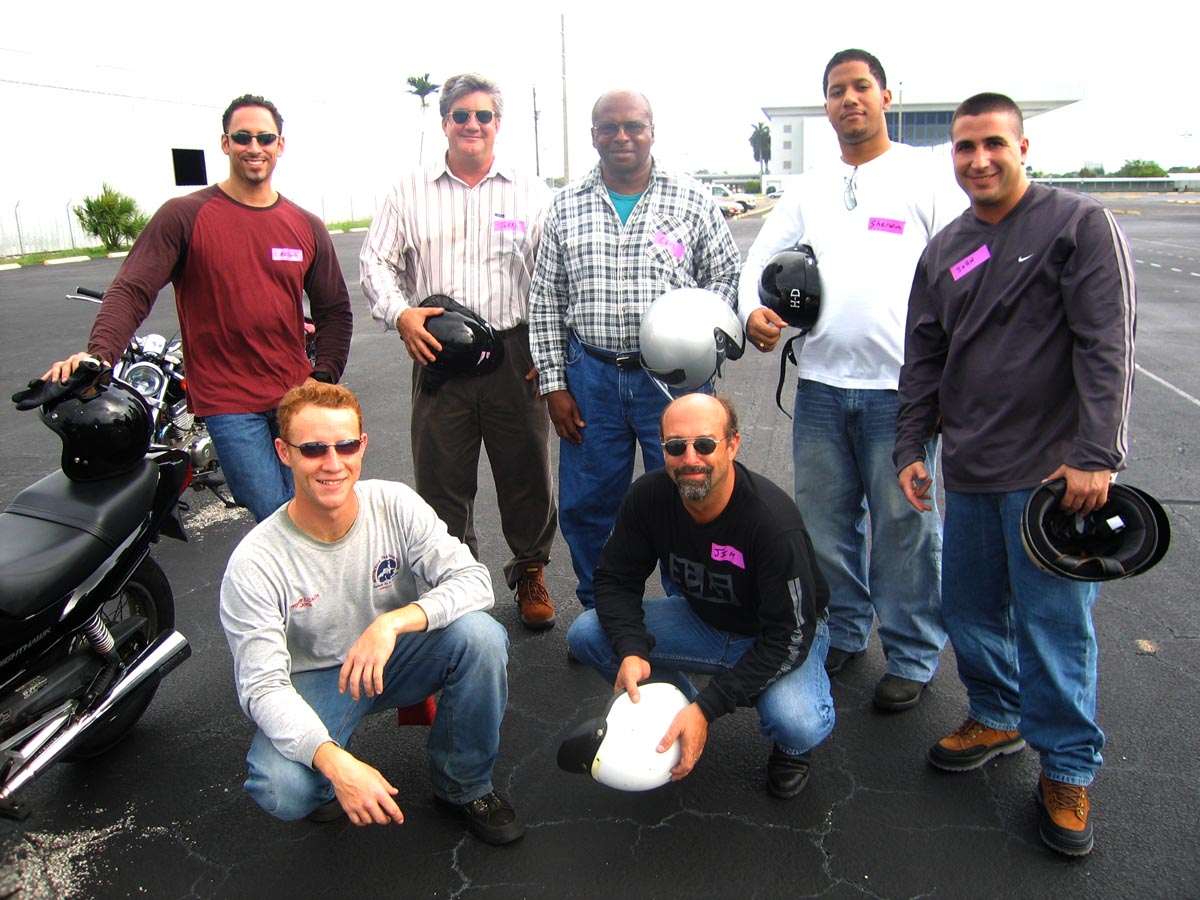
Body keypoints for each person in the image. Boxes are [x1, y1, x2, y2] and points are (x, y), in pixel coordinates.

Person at [894, 93, 1135, 857]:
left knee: (1053, 627)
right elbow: (924, 356)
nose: (979, 160)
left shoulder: (1076, 225)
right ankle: (997, 715)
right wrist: (910, 447)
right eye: (965, 147)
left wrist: (1097, 453)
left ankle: (1067, 768)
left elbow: (1106, 342)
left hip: (1053, 480)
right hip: (970, 470)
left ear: (1023, 147)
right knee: (968, 609)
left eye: (993, 143)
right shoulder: (946, 249)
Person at [737, 50, 965, 711]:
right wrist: (752, 310)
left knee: (905, 529)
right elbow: (760, 258)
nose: (849, 99)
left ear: (886, 97)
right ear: (827, 105)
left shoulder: (924, 176)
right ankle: (844, 630)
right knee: (824, 527)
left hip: (903, 394)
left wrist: (950, 376)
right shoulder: (810, 187)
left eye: (861, 87)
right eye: (837, 90)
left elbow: (967, 265)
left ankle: (913, 654)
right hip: (821, 387)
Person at [219, 382, 522, 845]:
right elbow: (261, 686)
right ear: (284, 453)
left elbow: (475, 581)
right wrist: (333, 762)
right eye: (313, 449)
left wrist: (393, 622)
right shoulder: (255, 562)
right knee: (281, 788)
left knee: (481, 636)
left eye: (345, 446)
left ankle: (464, 784)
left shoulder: (394, 503)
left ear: (362, 445)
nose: (332, 463)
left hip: (394, 656)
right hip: (319, 679)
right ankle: (328, 781)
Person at [43, 94, 354, 523]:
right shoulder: (185, 216)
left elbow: (334, 309)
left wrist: (322, 380)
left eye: (265, 138)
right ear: (225, 143)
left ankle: (310, 569)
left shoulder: (305, 225)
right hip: (230, 401)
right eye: (242, 137)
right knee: (273, 512)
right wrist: (99, 355)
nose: (254, 147)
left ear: (280, 145)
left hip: (296, 395)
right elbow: (132, 289)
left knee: (316, 506)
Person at [529, 89, 741, 611]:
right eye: (609, 127)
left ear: (652, 130)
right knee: (588, 504)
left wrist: (699, 333)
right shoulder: (565, 205)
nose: (621, 136)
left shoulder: (691, 199)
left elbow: (726, 276)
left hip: (673, 382)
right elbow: (546, 297)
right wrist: (554, 384)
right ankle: (603, 610)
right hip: (591, 376)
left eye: (633, 125)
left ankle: (684, 613)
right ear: (593, 135)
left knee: (687, 493)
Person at [360, 73, 558, 630]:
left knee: (526, 471)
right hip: (438, 353)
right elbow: (376, 262)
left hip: (514, 351)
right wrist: (400, 313)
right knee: (441, 478)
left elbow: (553, 277)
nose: (473, 124)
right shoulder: (408, 191)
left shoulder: (531, 192)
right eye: (462, 115)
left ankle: (530, 570)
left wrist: (548, 350)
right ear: (445, 121)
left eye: (483, 115)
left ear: (498, 123)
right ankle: (457, 581)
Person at [567, 394, 833, 798]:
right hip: (705, 620)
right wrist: (631, 648)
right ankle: (677, 715)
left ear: (733, 445)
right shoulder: (648, 497)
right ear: (663, 450)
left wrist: (710, 705)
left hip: (775, 634)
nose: (690, 458)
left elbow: (790, 635)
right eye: (676, 446)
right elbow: (615, 579)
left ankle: (789, 750)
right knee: (588, 633)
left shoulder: (773, 523)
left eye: (705, 444)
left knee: (798, 721)